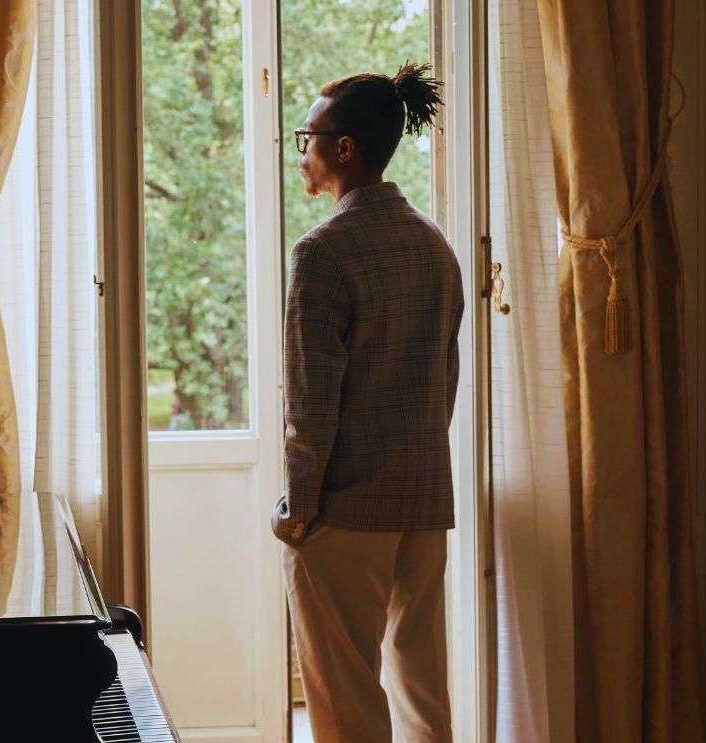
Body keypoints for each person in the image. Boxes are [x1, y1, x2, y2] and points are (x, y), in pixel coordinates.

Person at [271, 62, 463, 743]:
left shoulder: (322, 252)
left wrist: (298, 510)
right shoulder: (434, 244)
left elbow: (310, 401)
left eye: (308, 137)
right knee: (422, 693)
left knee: (346, 703)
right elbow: (443, 381)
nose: (301, 151)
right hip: (423, 502)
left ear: (344, 148)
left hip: (346, 509)